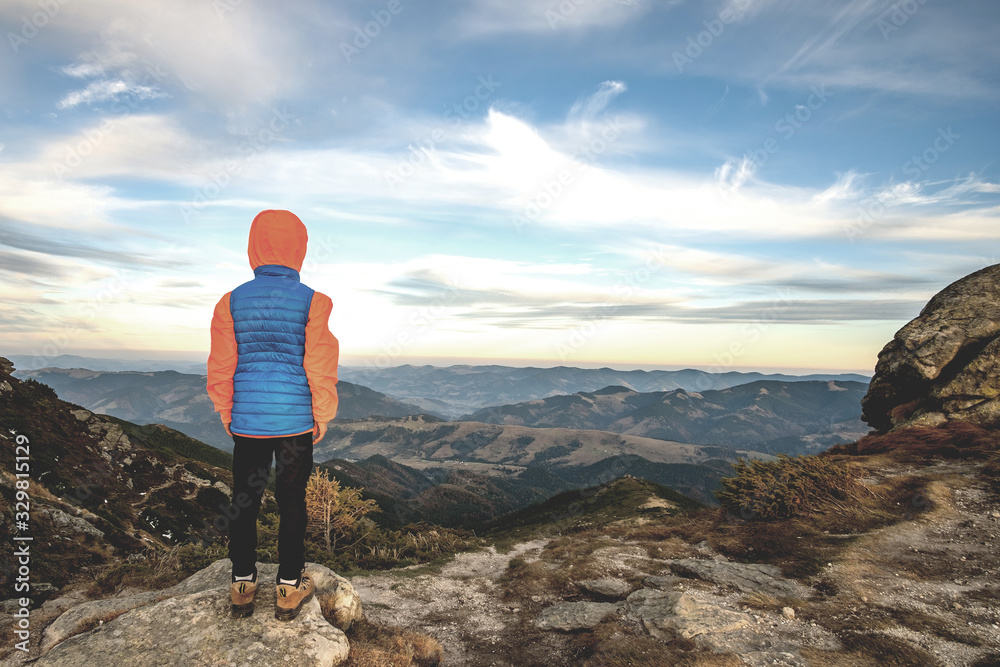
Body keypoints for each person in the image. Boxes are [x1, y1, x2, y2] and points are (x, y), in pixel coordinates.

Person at [207, 209, 339, 621]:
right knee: (291, 500)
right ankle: (288, 586)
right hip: (295, 421)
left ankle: (242, 583)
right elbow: (320, 363)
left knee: (244, 500)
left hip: (247, 421)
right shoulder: (315, 301)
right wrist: (322, 413)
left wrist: (226, 411)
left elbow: (221, 365)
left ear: (254, 246)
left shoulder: (230, 301)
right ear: (299, 249)